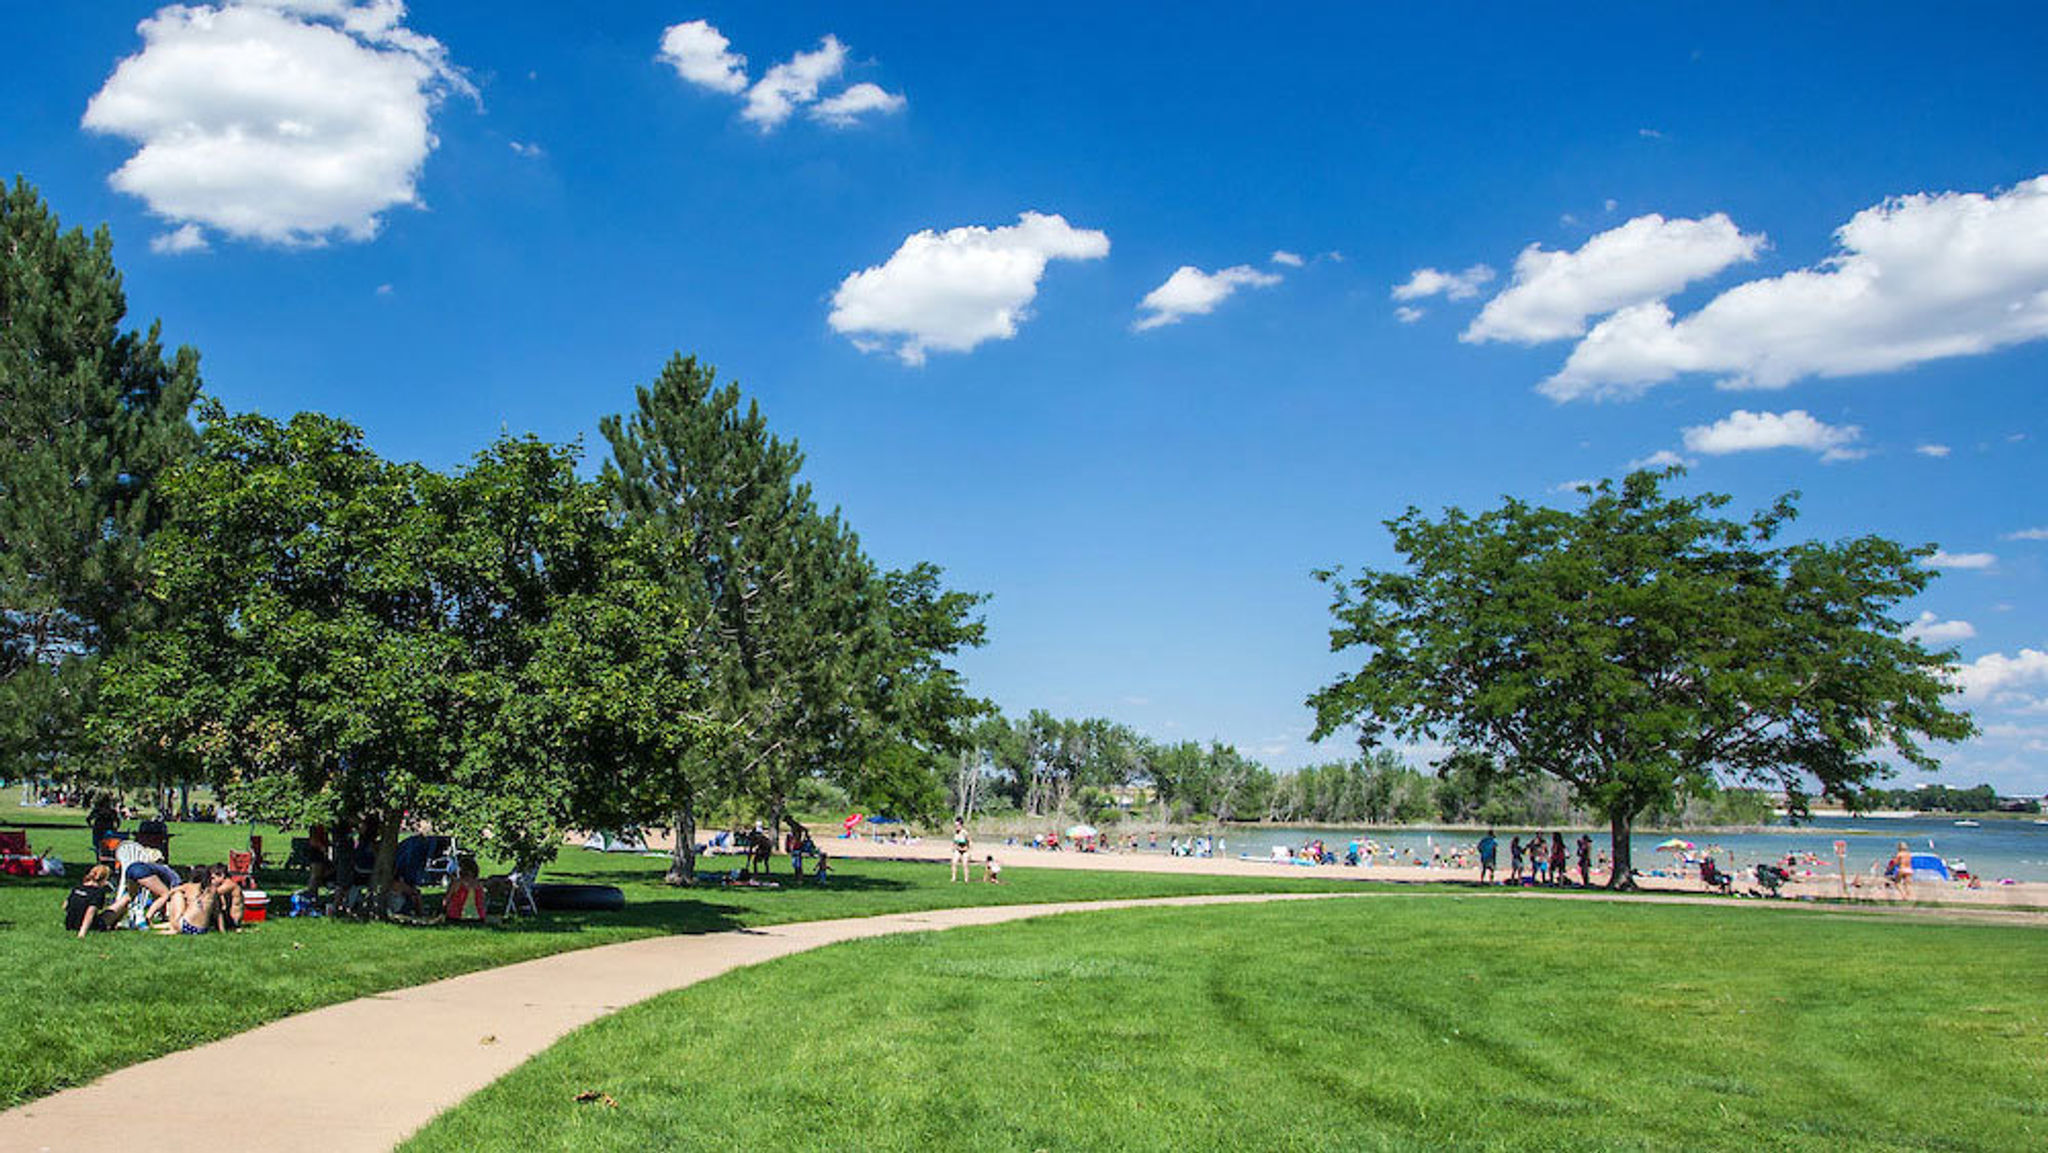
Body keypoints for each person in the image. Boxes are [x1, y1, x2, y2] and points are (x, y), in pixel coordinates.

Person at [66, 865, 116, 937]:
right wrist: (82, 932)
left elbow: (66, 905)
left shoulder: (77, 887)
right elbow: (90, 913)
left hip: (71, 924)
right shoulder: (98, 892)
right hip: (88, 926)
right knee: (123, 902)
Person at [444, 856, 488, 924]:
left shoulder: (457, 883)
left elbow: (446, 900)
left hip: (456, 917)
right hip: (479, 917)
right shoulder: (479, 884)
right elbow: (483, 901)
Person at [951, 817, 971, 883]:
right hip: (957, 849)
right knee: (954, 863)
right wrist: (953, 847)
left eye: (957, 825)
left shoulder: (964, 833)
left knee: (965, 865)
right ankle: (953, 878)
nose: (956, 827)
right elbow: (954, 841)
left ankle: (966, 879)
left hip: (965, 850)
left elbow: (969, 841)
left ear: (961, 825)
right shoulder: (956, 833)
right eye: (955, 825)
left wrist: (967, 848)